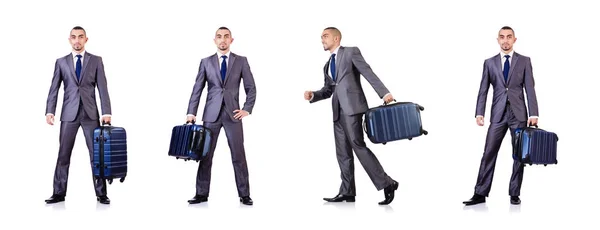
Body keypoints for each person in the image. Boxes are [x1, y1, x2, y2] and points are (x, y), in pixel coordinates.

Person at [304, 27, 399, 205]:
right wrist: (314, 95)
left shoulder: (350, 52)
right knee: (342, 153)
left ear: (336, 38)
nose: (322, 40)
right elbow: (329, 90)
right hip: (337, 112)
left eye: (325, 36)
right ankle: (347, 191)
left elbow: (367, 72)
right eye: (321, 37)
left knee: (358, 147)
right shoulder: (327, 65)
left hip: (352, 109)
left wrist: (384, 93)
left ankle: (388, 183)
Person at [463, 26, 539, 206]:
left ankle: (514, 193)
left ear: (514, 40)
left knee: (519, 154)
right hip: (498, 114)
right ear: (497, 40)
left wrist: (534, 113)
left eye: (509, 37)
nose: (505, 40)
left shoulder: (524, 61)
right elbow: (483, 90)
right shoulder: (489, 63)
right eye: (502, 37)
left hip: (519, 114)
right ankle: (480, 193)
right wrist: (479, 112)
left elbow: (530, 88)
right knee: (489, 152)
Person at [186, 26, 257, 206]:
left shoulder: (241, 61)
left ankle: (244, 194)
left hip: (234, 115)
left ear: (231, 40)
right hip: (211, 115)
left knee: (238, 155)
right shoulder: (206, 62)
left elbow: (251, 88)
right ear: (215, 40)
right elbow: (197, 89)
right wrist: (191, 112)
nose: (223, 40)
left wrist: (246, 109)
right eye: (219, 37)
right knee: (205, 155)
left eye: (226, 37)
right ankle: (201, 194)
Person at [45, 26, 113, 205]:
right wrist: (50, 110)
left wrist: (106, 112)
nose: (77, 40)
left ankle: (101, 193)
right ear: (69, 40)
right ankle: (58, 193)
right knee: (63, 155)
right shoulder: (61, 62)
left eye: (80, 37)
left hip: (91, 114)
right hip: (69, 114)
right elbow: (54, 88)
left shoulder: (96, 60)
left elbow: (102, 87)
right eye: (74, 37)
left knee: (97, 155)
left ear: (86, 39)